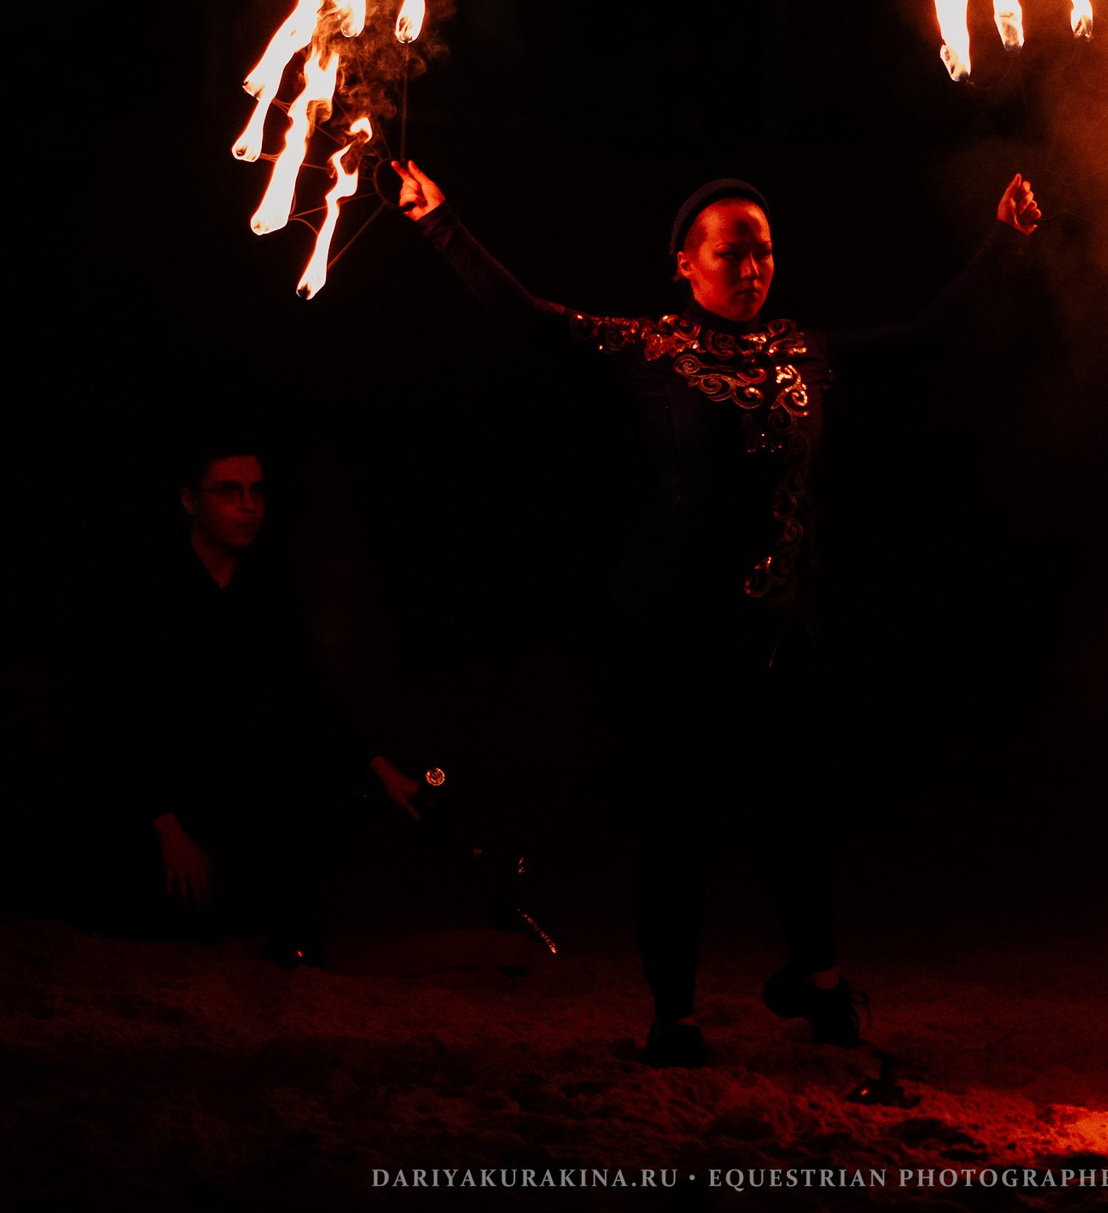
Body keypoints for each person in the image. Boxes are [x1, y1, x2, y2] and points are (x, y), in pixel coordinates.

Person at [386, 159, 1042, 1066]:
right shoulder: (650, 348)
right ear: (685, 265)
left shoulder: (809, 350)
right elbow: (531, 321)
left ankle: (818, 985)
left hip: (777, 634)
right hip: (663, 633)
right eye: (732, 252)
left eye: (764, 252)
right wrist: (439, 221)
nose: (753, 267)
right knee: (680, 826)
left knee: (796, 820)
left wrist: (1006, 238)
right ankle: (675, 1016)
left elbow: (929, 335)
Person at [70, 442, 422, 966]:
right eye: (229, 492)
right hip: (136, 792)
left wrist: (381, 767)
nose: (248, 505)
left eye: (256, 491)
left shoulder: (264, 592)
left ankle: (284, 932)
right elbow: (113, 719)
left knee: (318, 774)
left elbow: (310, 689)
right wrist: (165, 827)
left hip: (210, 775)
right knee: (145, 923)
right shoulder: (142, 589)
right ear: (190, 501)